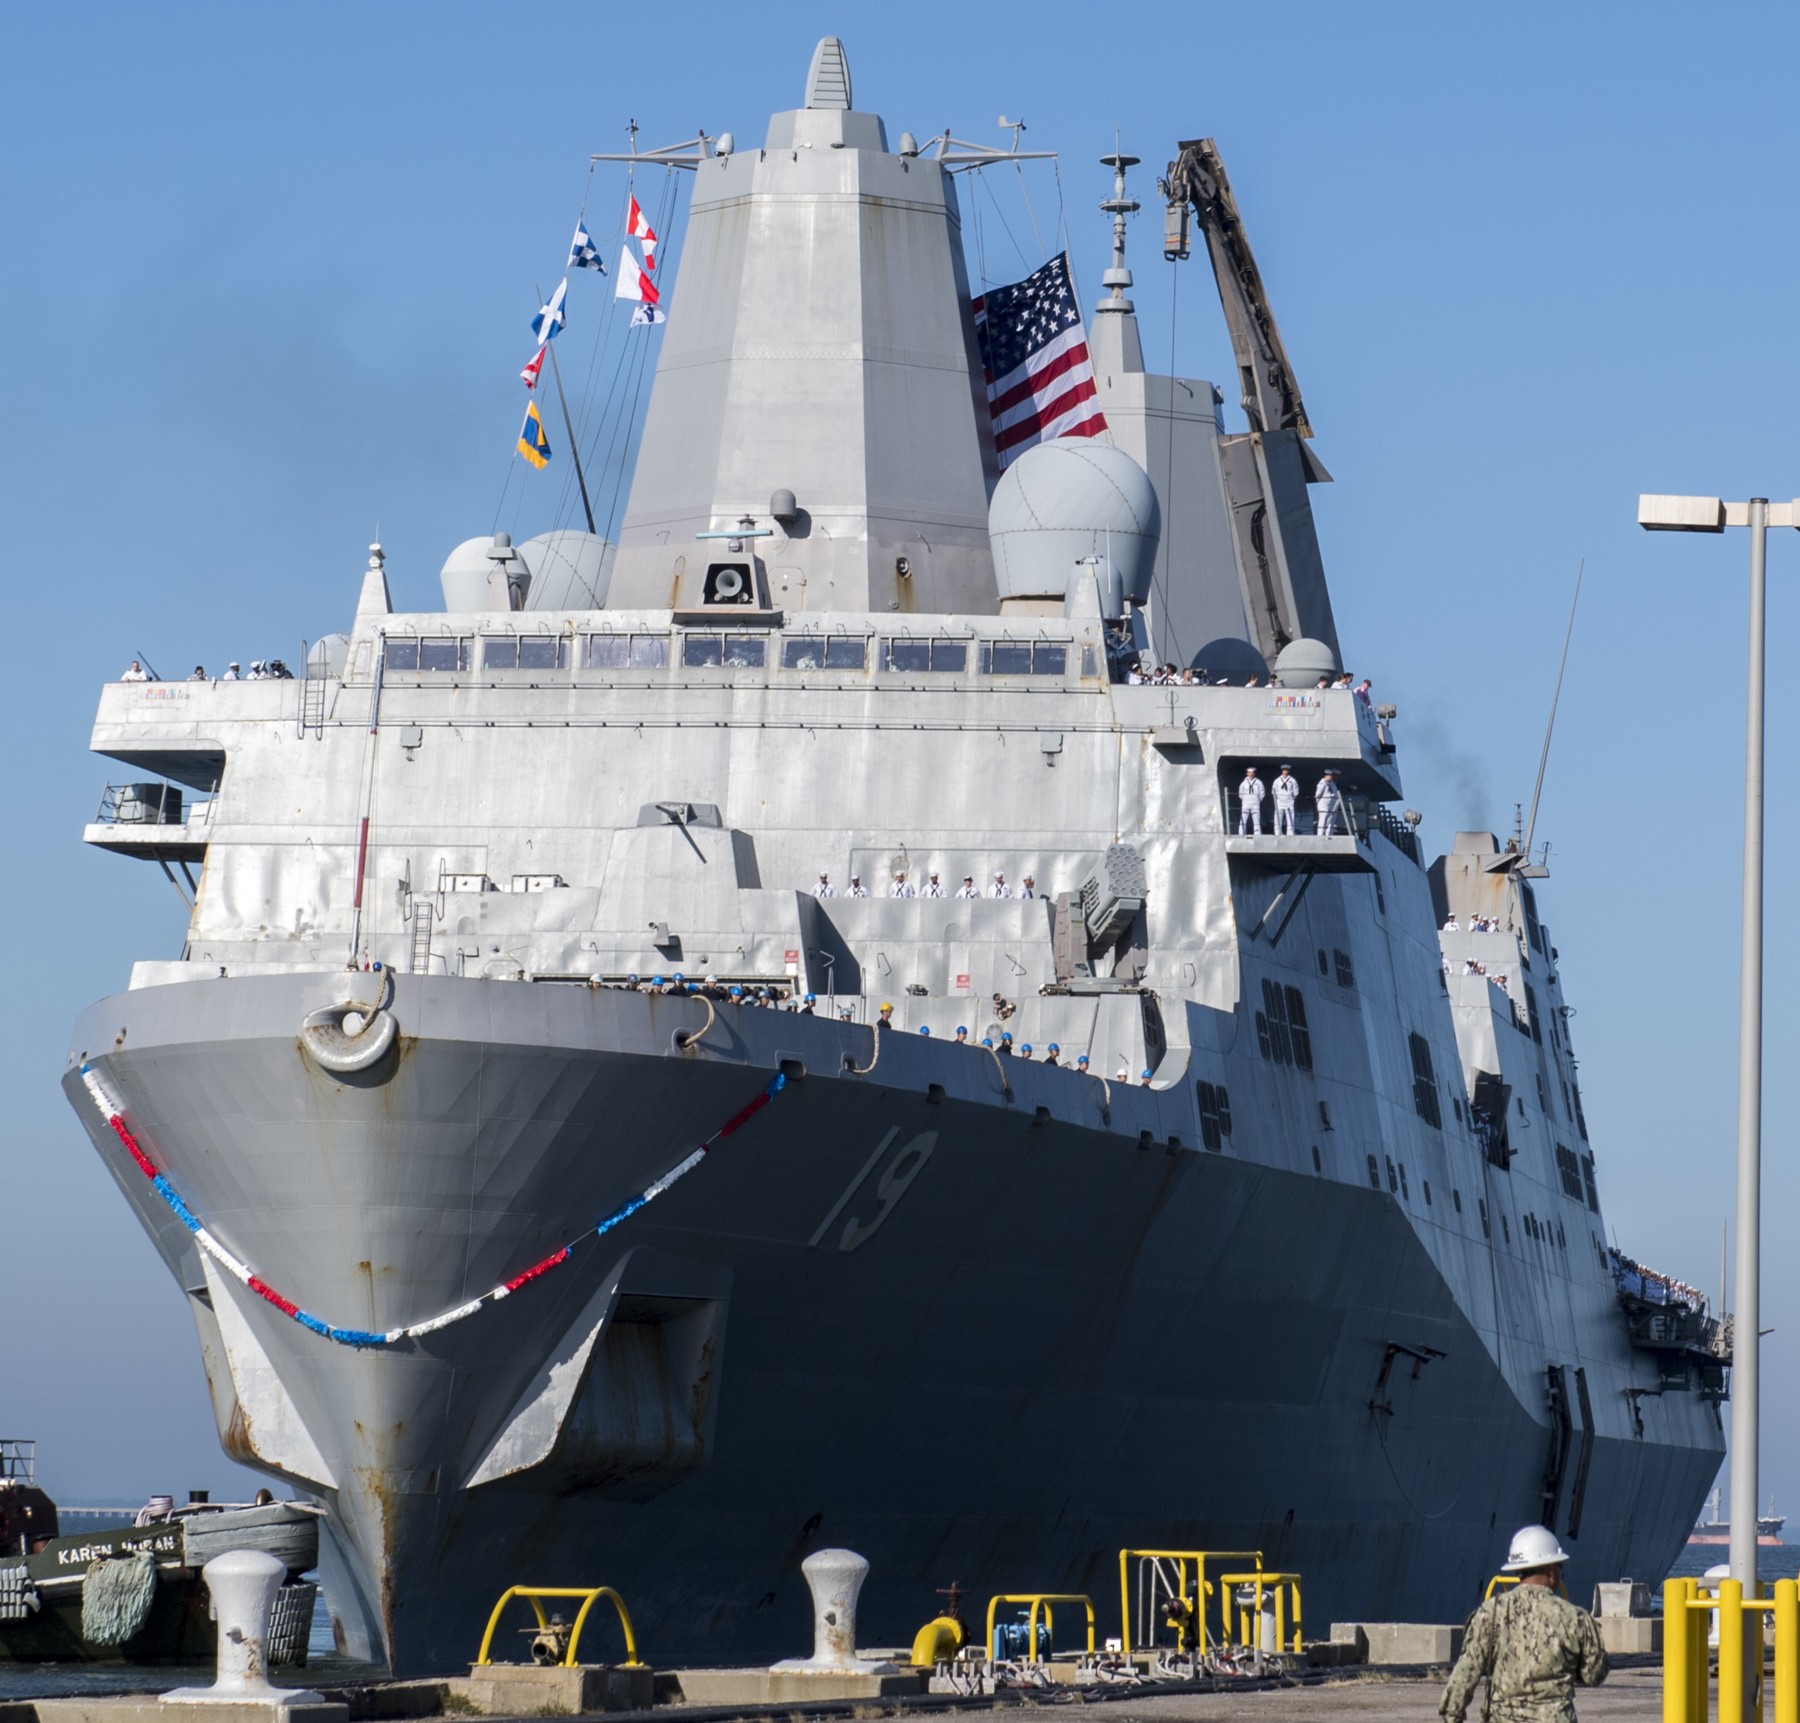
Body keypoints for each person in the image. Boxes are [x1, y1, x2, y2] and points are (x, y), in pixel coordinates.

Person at [1440, 1524, 1606, 1723]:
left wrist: (1451, 1717)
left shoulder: (1489, 1614)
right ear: (1552, 1570)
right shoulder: (1574, 1617)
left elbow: (1464, 1675)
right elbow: (1594, 1674)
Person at [1272, 766, 1300, 836]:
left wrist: (1291, 798)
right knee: (1278, 818)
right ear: (1282, 771)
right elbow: (1273, 791)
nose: (1285, 771)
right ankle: (1277, 833)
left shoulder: (1292, 780)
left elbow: (1296, 792)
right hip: (1280, 802)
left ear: (1288, 771)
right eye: (1284, 770)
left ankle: (1290, 833)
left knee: (1290, 819)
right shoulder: (1277, 780)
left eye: (1287, 770)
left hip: (1289, 801)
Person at [1314, 770, 1343, 836]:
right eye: (1330, 776)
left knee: (1331, 820)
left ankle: (1329, 834)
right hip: (1324, 804)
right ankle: (1320, 834)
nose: (1331, 777)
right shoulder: (1322, 783)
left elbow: (1335, 793)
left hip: (1332, 804)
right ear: (1326, 775)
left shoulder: (1332, 784)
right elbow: (1318, 795)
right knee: (1323, 819)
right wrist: (1318, 803)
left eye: (1331, 776)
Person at [1238, 767, 1266, 835]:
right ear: (1247, 773)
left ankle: (1257, 834)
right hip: (1246, 804)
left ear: (1254, 774)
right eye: (1249, 773)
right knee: (1243, 820)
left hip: (1255, 804)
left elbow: (1262, 793)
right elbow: (1240, 794)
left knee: (1256, 820)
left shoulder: (1259, 783)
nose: (1251, 774)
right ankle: (1241, 833)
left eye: (1252, 773)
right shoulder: (1243, 784)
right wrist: (1245, 800)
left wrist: (1257, 800)